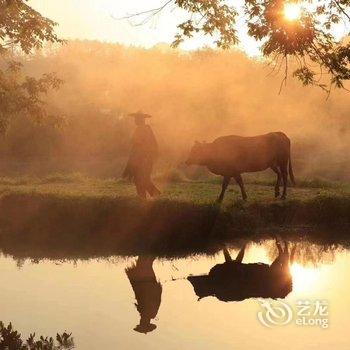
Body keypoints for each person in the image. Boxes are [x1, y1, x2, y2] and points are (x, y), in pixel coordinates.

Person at [123, 111, 161, 199]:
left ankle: (150, 198)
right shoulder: (146, 129)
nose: (135, 120)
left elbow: (138, 146)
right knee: (141, 179)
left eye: (137, 118)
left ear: (142, 120)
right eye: (135, 118)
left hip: (143, 159)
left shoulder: (141, 129)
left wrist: (134, 161)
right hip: (145, 159)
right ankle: (146, 199)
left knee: (142, 180)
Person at [125, 256, 162, 334]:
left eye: (141, 322)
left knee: (143, 265)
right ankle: (149, 251)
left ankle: (147, 251)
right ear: (146, 322)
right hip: (147, 284)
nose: (141, 321)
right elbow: (155, 298)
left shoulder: (145, 312)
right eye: (142, 323)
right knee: (145, 266)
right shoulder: (150, 313)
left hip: (144, 284)